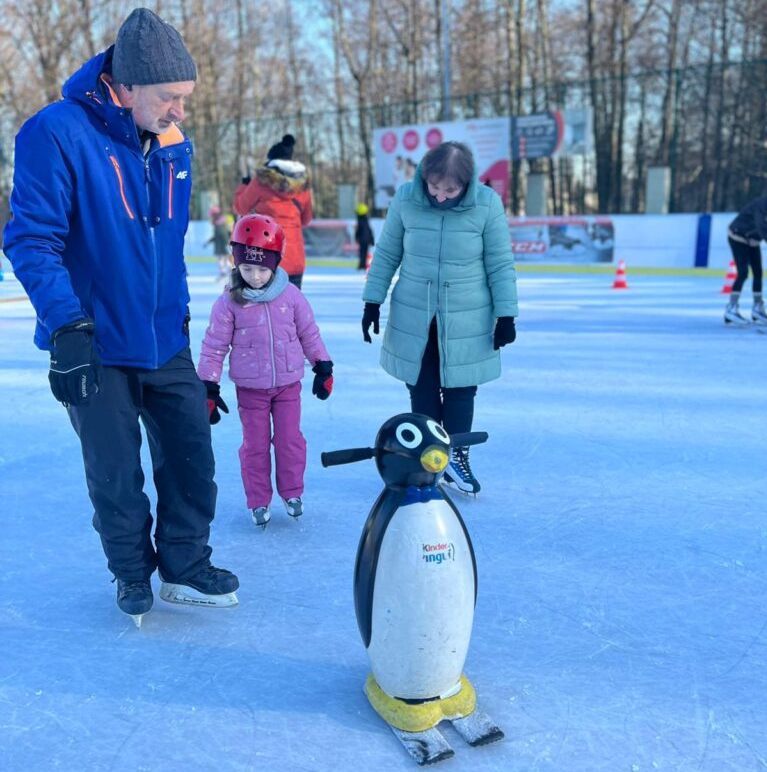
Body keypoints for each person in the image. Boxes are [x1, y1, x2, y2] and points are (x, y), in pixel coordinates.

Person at [2, 8, 239, 623]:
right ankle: (132, 574)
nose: (180, 111)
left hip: (166, 336)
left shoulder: (169, 139)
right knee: (115, 474)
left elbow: (168, 242)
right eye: (169, 98)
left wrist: (182, 317)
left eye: (185, 98)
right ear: (126, 87)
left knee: (193, 458)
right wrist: (67, 327)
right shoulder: (54, 133)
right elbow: (32, 240)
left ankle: (185, 566)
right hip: (96, 340)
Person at [361, 141, 518, 495]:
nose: (441, 195)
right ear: (423, 177)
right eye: (434, 186)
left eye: (450, 189)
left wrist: (506, 314)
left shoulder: (487, 205)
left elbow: (500, 263)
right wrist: (372, 301)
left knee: (462, 389)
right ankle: (429, 458)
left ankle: (458, 458)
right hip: (415, 315)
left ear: (467, 183)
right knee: (422, 388)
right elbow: (387, 253)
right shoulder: (405, 199)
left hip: (468, 316)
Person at [197, 214, 333, 529]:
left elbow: (309, 333)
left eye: (262, 268)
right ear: (236, 263)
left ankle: (292, 492)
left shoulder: (291, 297)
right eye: (247, 268)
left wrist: (322, 365)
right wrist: (208, 387)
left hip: (288, 386)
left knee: (289, 441)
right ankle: (258, 499)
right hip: (251, 390)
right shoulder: (229, 302)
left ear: (274, 264)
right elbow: (214, 347)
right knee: (255, 446)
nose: (255, 276)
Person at [232, 134, 313, 288]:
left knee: (267, 310)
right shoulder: (303, 186)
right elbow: (306, 219)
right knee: (292, 308)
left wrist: (244, 184)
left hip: (268, 259)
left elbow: (240, 207)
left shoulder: (261, 182)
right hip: (296, 259)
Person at [724, 197, 767, 326]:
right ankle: (731, 308)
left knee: (758, 273)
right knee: (743, 273)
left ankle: (757, 308)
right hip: (737, 235)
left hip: (752, 239)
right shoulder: (762, 205)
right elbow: (761, 227)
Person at [206, 206, 232, 281]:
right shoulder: (220, 223)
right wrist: (208, 242)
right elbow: (218, 235)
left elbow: (222, 234)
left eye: (211, 215)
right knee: (223, 259)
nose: (211, 217)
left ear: (215, 215)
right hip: (221, 245)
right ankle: (226, 273)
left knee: (223, 259)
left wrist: (227, 244)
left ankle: (227, 273)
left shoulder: (219, 224)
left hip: (222, 245)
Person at [355, 203, 375, 271]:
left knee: (362, 253)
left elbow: (359, 230)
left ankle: (362, 265)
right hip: (366, 239)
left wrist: (356, 236)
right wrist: (371, 239)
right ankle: (362, 265)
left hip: (363, 239)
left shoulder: (361, 220)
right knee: (364, 252)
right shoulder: (365, 219)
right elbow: (369, 230)